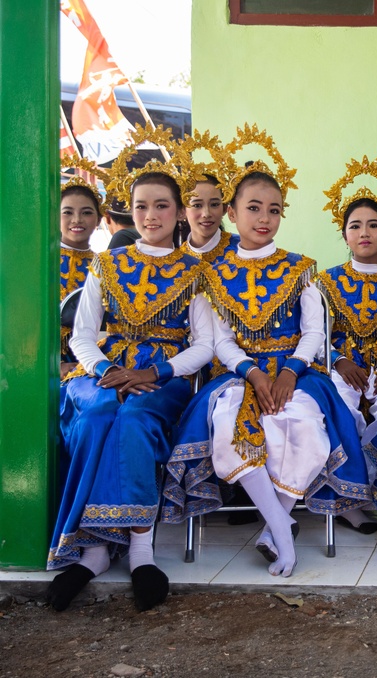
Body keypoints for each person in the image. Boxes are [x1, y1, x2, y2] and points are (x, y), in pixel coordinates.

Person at [162, 125, 372, 577]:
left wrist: (291, 372)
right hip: (240, 375)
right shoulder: (212, 274)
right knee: (229, 429)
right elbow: (219, 340)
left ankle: (272, 529)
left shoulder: (301, 269)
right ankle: (280, 525)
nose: (264, 218)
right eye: (253, 208)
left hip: (296, 373)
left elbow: (315, 332)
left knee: (306, 430)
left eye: (274, 210)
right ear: (232, 214)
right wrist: (254, 374)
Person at [47, 124, 213, 611]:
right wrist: (106, 371)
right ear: (129, 211)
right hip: (103, 373)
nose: (151, 215)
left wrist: (155, 374)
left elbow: (203, 346)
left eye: (162, 205)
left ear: (180, 212)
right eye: (141, 206)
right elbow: (81, 335)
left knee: (136, 419)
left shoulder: (195, 271)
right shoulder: (106, 266)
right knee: (99, 414)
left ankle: (139, 549)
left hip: (163, 378)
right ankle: (95, 549)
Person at [314, 156, 377, 533]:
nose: (365, 232)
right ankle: (345, 502)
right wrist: (339, 362)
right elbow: (317, 335)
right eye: (355, 226)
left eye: (374, 225)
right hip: (344, 371)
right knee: (341, 410)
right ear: (344, 235)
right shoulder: (325, 282)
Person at [58, 157, 105, 377]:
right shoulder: (36, 264)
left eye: (86, 212)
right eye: (67, 212)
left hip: (92, 364)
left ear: (99, 219)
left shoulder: (108, 266)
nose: (77, 220)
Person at [176, 129, 241, 264]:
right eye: (197, 205)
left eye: (214, 204)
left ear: (224, 208)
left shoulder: (243, 251)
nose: (206, 213)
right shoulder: (176, 260)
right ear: (183, 210)